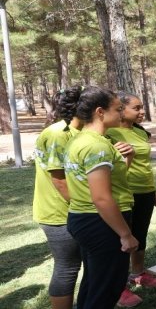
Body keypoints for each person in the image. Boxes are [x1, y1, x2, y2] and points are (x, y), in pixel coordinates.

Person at [62, 86, 139, 309]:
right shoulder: (96, 145)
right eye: (117, 109)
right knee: (108, 287)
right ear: (100, 112)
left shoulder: (81, 140)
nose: (122, 113)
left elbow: (110, 180)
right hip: (102, 223)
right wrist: (125, 234)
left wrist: (129, 158)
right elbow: (102, 198)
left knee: (94, 281)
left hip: (85, 219)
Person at [106, 92, 156, 307]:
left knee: (140, 234)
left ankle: (138, 274)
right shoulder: (109, 133)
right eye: (137, 108)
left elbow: (145, 166)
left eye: (142, 107)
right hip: (124, 194)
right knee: (122, 241)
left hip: (145, 192)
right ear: (121, 109)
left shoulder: (139, 132)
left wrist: (153, 190)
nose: (142, 112)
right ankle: (118, 287)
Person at [32, 88, 83, 309]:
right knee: (68, 266)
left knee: (85, 263)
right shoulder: (57, 133)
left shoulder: (81, 132)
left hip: (77, 210)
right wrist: (84, 206)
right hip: (59, 213)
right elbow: (59, 179)